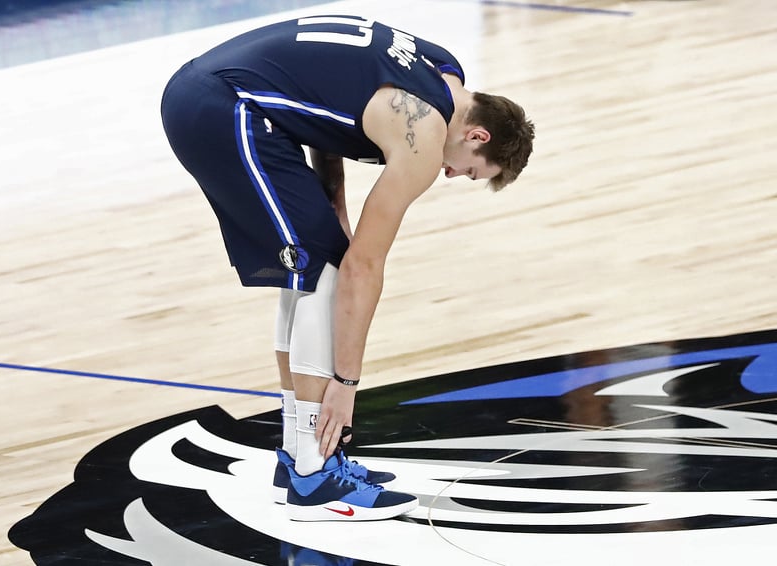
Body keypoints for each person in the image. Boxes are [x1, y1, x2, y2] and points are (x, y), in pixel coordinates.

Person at [160, 14, 534, 522]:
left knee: (317, 265)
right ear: (477, 135)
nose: (449, 174)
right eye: (466, 169)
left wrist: (333, 199)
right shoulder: (424, 134)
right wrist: (346, 385)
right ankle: (314, 476)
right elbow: (366, 267)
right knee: (328, 272)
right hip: (226, 108)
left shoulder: (443, 70)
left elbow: (330, 103)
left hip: (213, 93)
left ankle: (299, 456)